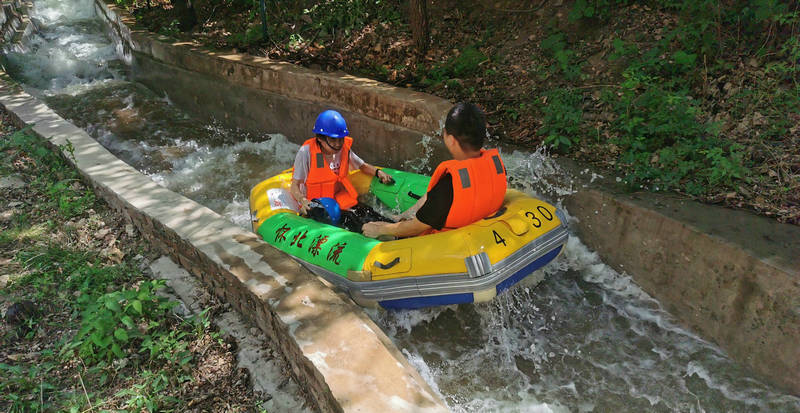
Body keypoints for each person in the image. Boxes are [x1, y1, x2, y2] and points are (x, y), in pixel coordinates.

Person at [362, 102, 507, 238]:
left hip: (445, 244)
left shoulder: (449, 185)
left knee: (364, 223)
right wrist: (404, 214)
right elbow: (436, 197)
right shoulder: (496, 166)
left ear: (451, 140)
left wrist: (382, 229)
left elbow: (416, 227)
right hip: (480, 231)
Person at [290, 109, 394, 232]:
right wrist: (303, 201)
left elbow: (362, 166)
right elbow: (294, 185)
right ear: (321, 139)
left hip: (338, 197)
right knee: (352, 220)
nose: (338, 144)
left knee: (367, 212)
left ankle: (397, 228)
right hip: (318, 204)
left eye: (341, 139)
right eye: (333, 140)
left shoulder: (343, 149)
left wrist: (378, 172)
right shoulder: (306, 152)